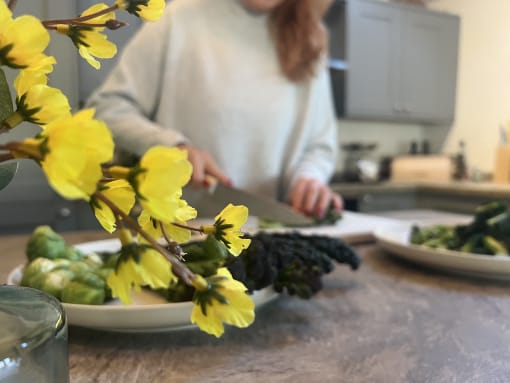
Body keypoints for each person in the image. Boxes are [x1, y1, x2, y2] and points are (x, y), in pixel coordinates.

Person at [87, 0, 343, 219]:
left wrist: (309, 179)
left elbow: (319, 145)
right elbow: (107, 108)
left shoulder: (311, 38)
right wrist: (171, 147)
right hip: (175, 233)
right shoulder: (178, 17)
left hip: (271, 234)